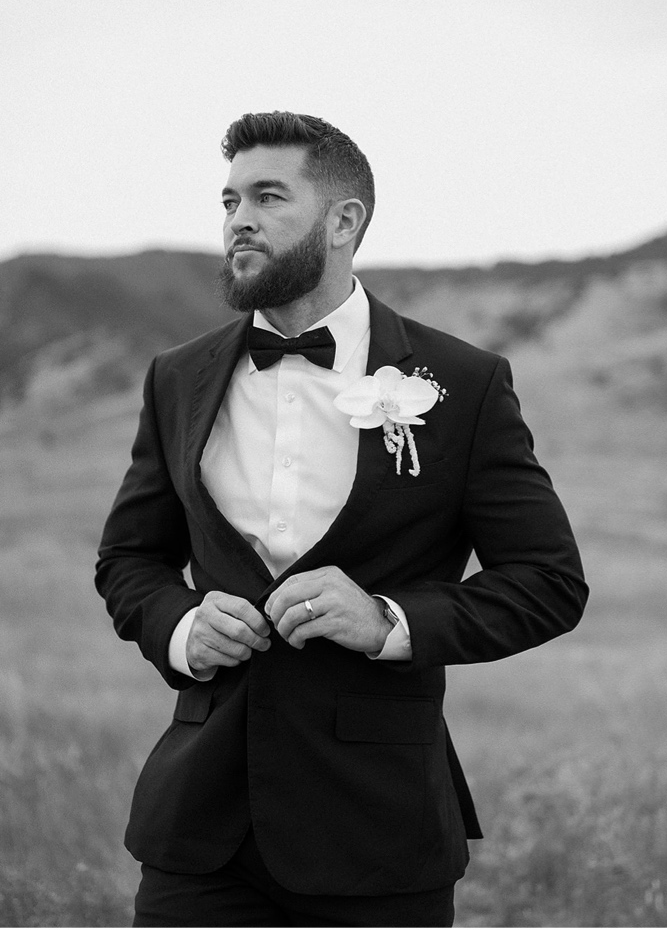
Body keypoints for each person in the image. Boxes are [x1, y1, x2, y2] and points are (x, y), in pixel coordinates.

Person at [95, 111, 588, 926]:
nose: (237, 220)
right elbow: (128, 562)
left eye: (267, 197)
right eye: (228, 200)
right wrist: (180, 627)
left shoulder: (461, 384)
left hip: (379, 831)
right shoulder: (176, 378)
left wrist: (389, 619)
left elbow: (548, 583)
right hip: (198, 829)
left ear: (343, 222)